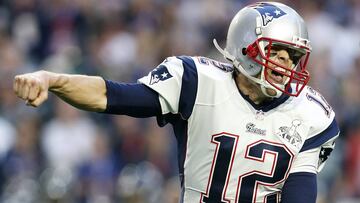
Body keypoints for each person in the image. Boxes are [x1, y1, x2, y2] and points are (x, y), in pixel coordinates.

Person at [13, 2, 340, 203]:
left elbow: (300, 193)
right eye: (277, 53)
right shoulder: (197, 81)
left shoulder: (312, 115)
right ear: (246, 48)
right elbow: (111, 96)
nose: (286, 66)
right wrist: (53, 79)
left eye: (293, 56)